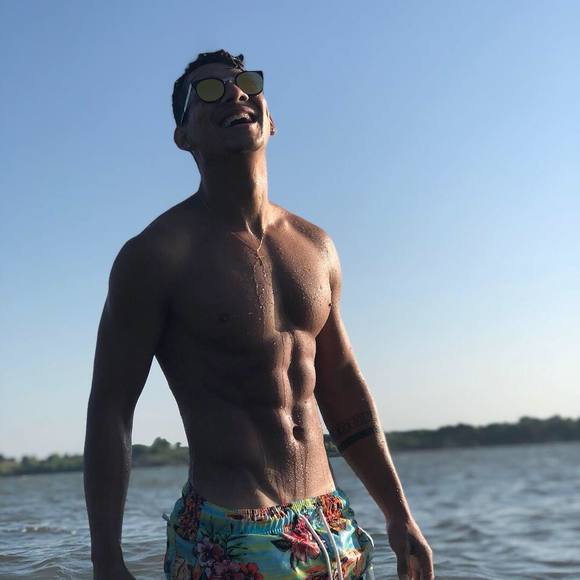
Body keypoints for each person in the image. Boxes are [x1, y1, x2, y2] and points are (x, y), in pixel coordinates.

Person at [84, 49, 435, 580]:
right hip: (229, 532)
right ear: (183, 136)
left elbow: (341, 385)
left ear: (271, 120)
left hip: (330, 523)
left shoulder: (316, 246)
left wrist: (398, 513)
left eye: (246, 82)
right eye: (208, 90)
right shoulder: (155, 256)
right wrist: (106, 558)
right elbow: (111, 408)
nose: (234, 92)